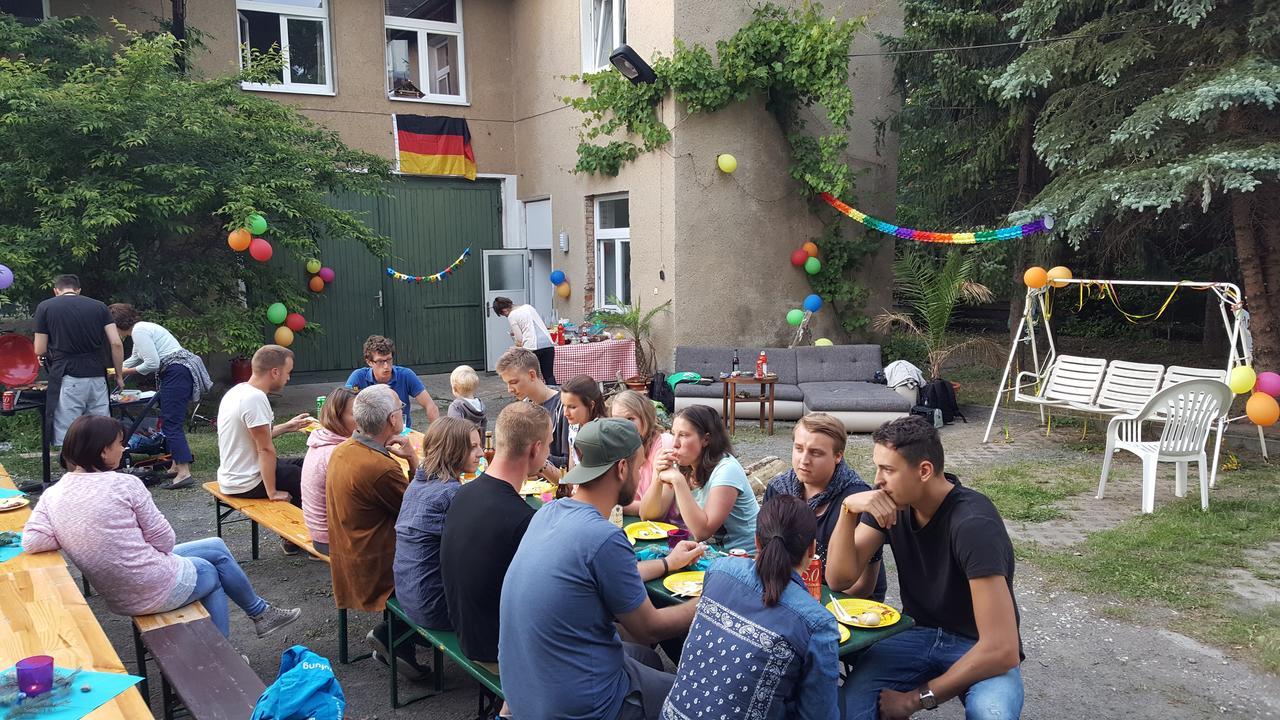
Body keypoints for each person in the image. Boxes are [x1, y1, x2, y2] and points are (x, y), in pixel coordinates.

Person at [22, 415, 300, 639]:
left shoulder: (53, 494)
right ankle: (222, 656)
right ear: (103, 450)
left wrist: (77, 529)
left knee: (215, 547)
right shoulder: (124, 484)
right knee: (210, 573)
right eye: (120, 443)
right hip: (149, 587)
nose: (124, 448)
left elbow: (33, 541)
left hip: (118, 592)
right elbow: (165, 542)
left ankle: (262, 614)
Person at [500, 418, 705, 720]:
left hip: (522, 691)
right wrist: (708, 602)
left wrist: (666, 563)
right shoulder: (604, 537)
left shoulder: (550, 513)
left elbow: (596, 578)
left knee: (646, 657)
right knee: (695, 699)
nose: (638, 474)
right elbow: (649, 627)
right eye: (637, 467)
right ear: (622, 468)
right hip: (577, 707)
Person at [827, 416, 1023, 719]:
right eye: (878, 467)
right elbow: (839, 579)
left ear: (924, 471)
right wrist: (848, 511)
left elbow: (1002, 649)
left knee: (992, 712)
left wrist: (916, 699)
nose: (877, 479)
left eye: (888, 470)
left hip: (977, 646)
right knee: (849, 709)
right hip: (918, 635)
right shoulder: (892, 505)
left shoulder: (972, 524)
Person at [662, 495, 840, 719]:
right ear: (811, 548)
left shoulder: (719, 570)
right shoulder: (818, 623)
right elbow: (818, 713)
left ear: (757, 541)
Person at [325, 384, 426, 678]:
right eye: (400, 410)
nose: (403, 414)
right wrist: (413, 461)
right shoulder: (378, 467)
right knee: (440, 554)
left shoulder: (344, 450)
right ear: (392, 421)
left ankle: (404, 632)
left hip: (348, 553)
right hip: (375, 565)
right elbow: (418, 511)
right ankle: (392, 636)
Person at [439, 402, 546, 674]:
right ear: (535, 449)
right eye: (548, 445)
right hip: (498, 652)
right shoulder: (521, 518)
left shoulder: (463, 492)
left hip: (466, 633)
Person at [765, 413, 886, 600]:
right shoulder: (778, 489)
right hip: (791, 593)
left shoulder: (857, 499)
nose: (804, 460)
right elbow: (767, 555)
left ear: (838, 456)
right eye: (799, 448)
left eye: (816, 453)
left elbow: (864, 586)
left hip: (848, 604)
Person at [215, 345, 313, 554]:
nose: (288, 378)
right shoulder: (255, 399)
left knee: (306, 464)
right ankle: (305, 540)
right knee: (305, 477)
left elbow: (254, 436)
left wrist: (288, 426)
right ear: (275, 372)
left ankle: (294, 540)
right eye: (288, 373)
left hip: (234, 475)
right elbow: (265, 449)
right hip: (246, 481)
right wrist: (272, 492)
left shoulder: (239, 391)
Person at [107, 303, 213, 490]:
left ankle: (184, 472)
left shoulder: (139, 331)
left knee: (172, 423)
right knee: (167, 420)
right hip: (176, 372)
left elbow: (152, 364)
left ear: (117, 324)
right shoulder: (141, 329)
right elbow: (136, 358)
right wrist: (116, 370)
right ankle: (175, 465)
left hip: (176, 372)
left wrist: (123, 372)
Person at [393, 417, 483, 631]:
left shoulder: (419, 483)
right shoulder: (451, 494)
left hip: (408, 593)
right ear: (451, 450)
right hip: (435, 608)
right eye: (473, 447)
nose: (480, 453)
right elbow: (477, 553)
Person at [639, 405, 759, 552]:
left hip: (742, 557)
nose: (675, 443)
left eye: (683, 435)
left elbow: (702, 532)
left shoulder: (727, 469)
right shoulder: (682, 463)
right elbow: (648, 516)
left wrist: (678, 481)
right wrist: (656, 479)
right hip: (707, 552)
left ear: (706, 439)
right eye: (673, 433)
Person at [33, 274, 124, 446]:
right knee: (101, 430)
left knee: (69, 432)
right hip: (97, 376)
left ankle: (74, 471)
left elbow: (40, 349)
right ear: (78, 290)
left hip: (68, 376)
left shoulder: (45, 307)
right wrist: (119, 375)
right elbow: (116, 343)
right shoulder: (99, 306)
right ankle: (101, 470)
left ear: (56, 291)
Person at [300, 386, 357, 556]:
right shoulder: (338, 452)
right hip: (331, 539)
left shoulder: (322, 439)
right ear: (337, 417)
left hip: (319, 532)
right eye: (355, 414)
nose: (363, 419)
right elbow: (355, 504)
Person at [495, 347, 567, 473]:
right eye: (507, 383)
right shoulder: (524, 406)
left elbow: (568, 461)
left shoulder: (564, 407)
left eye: (514, 382)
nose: (509, 389)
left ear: (532, 375)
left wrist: (529, 457)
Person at [345, 335, 439, 429]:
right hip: (369, 434)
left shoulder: (406, 375)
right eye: (380, 361)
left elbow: (430, 406)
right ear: (369, 362)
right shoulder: (358, 377)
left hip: (400, 433)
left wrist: (436, 437)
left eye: (389, 360)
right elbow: (343, 409)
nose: (386, 366)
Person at [610, 390, 675, 516]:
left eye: (630, 419)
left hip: (670, 530)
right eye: (617, 420)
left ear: (645, 417)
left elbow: (658, 510)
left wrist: (610, 503)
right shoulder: (619, 447)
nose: (623, 426)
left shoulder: (664, 445)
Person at [492, 296, 556, 385]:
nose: (505, 316)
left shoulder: (512, 315)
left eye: (503, 315)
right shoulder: (528, 307)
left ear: (504, 310)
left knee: (532, 376)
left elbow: (520, 339)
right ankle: (555, 397)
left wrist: (514, 337)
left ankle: (533, 397)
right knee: (548, 375)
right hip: (548, 343)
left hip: (532, 347)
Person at [561, 374, 606, 468]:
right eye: (564, 405)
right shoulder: (574, 427)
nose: (566, 413)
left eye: (572, 407)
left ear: (591, 405)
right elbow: (572, 468)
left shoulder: (603, 432)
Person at [446, 364, 486, 432]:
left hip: (462, 442)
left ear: (455, 388)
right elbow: (484, 428)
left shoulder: (456, 407)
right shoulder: (481, 406)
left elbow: (454, 430)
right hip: (477, 441)